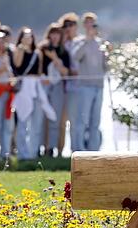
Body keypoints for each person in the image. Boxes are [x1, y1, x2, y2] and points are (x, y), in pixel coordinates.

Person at [71, 13, 109, 152]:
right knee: (82, 121)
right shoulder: (79, 41)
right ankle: (79, 150)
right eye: (87, 23)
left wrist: (109, 56)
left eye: (92, 23)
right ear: (84, 25)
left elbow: (106, 67)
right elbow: (76, 57)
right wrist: (87, 40)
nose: (90, 25)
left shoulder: (101, 43)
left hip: (99, 86)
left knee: (95, 122)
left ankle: (94, 152)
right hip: (85, 86)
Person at [39, 23, 71, 156]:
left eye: (57, 33)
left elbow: (65, 72)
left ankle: (52, 148)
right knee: (42, 119)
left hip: (58, 87)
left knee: (55, 119)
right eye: (53, 33)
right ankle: (42, 147)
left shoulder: (64, 52)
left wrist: (54, 58)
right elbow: (38, 68)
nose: (55, 36)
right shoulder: (42, 49)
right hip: (44, 86)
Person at [12, 27, 43, 159]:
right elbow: (17, 65)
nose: (28, 38)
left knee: (35, 123)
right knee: (22, 122)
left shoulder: (37, 53)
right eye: (25, 36)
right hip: (23, 89)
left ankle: (32, 153)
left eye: (30, 36)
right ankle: (22, 153)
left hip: (35, 88)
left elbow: (39, 72)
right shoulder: (18, 50)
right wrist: (21, 49)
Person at [60, 12, 80, 156]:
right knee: (64, 121)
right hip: (65, 86)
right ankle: (63, 150)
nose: (68, 28)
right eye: (65, 26)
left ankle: (77, 150)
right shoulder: (62, 45)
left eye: (71, 25)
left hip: (81, 86)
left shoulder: (81, 41)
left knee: (78, 120)